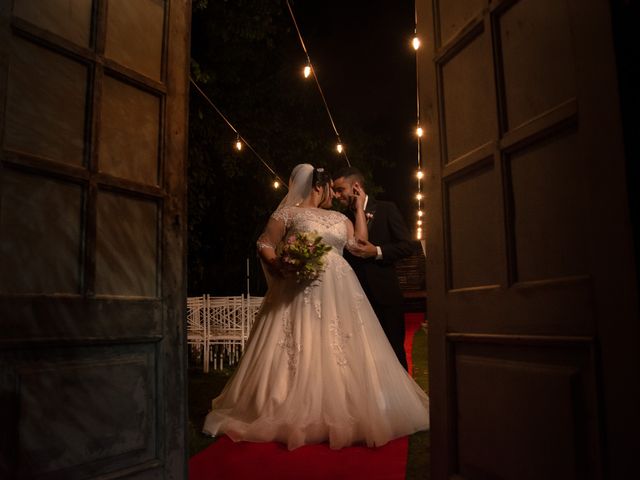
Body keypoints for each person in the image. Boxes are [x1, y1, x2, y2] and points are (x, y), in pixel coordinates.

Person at [202, 163, 428, 450]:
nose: (333, 194)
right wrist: (279, 263)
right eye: (330, 189)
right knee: (299, 342)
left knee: (342, 343)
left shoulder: (339, 217)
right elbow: (265, 243)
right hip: (300, 287)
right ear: (318, 187)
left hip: (340, 288)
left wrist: (358, 210)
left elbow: (359, 244)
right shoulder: (287, 214)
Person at [332, 166, 415, 370]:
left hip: (385, 296)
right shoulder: (342, 219)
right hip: (355, 298)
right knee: (364, 358)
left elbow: (407, 246)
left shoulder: (386, 209)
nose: (336, 195)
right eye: (334, 190)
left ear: (356, 187)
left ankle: (402, 401)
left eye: (340, 189)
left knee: (394, 352)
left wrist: (376, 251)